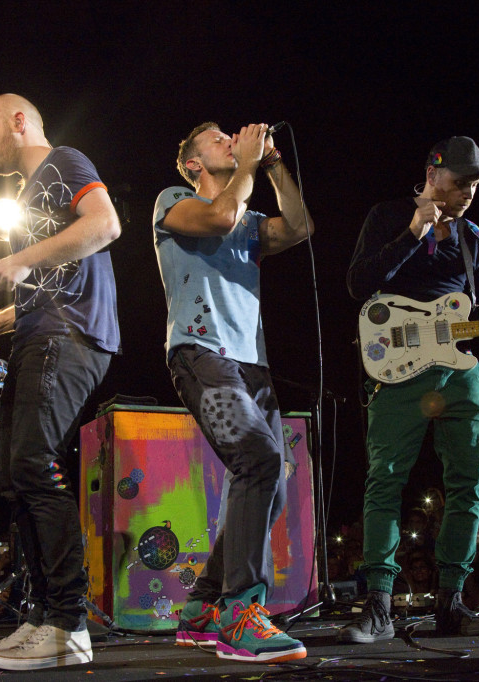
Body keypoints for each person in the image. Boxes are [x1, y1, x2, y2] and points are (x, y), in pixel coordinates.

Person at [339, 137, 479, 641]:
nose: (469, 191)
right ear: (433, 172)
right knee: (386, 480)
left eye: (476, 183)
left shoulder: (476, 238)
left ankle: (452, 603)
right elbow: (359, 283)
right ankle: (380, 605)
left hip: (460, 372)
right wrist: (414, 233)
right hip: (399, 369)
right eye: (461, 181)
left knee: (468, 484)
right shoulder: (388, 215)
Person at [0, 93, 120, 671]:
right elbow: (48, 280)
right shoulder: (27, 195)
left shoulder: (63, 161)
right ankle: (41, 616)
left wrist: (22, 259)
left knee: (32, 466)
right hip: (39, 331)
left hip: (69, 335)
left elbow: (104, 224)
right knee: (13, 478)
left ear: (19, 122)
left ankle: (69, 625)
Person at [152, 121, 313, 663]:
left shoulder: (248, 217)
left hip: (253, 368)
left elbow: (300, 226)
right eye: (218, 140)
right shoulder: (174, 201)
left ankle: (201, 609)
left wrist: (271, 167)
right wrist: (245, 164)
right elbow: (220, 216)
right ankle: (241, 612)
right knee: (259, 458)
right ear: (194, 163)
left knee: (273, 484)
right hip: (201, 354)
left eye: (232, 138)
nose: (230, 142)